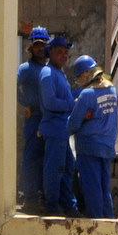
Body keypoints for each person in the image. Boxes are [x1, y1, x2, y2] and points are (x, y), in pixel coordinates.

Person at [69, 55, 118, 220]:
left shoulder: (87, 94)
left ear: (85, 73)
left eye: (79, 77)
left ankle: (97, 226)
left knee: (92, 189)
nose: (79, 81)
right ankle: (109, 224)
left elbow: (73, 124)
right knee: (104, 189)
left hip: (88, 148)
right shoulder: (112, 90)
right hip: (106, 147)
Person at [37, 35, 79, 216]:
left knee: (68, 168)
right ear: (50, 53)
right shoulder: (47, 73)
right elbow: (49, 102)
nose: (64, 56)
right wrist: (72, 104)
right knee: (55, 169)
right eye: (60, 52)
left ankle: (68, 206)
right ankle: (52, 206)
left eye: (66, 53)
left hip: (63, 130)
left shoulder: (59, 73)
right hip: (54, 130)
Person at [16, 27, 49, 211]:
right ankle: (29, 197)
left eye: (42, 45)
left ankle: (41, 195)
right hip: (34, 118)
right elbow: (13, 86)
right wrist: (24, 104)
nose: (39, 48)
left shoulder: (48, 69)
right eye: (36, 45)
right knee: (31, 158)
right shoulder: (26, 69)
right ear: (31, 47)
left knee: (46, 158)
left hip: (48, 119)